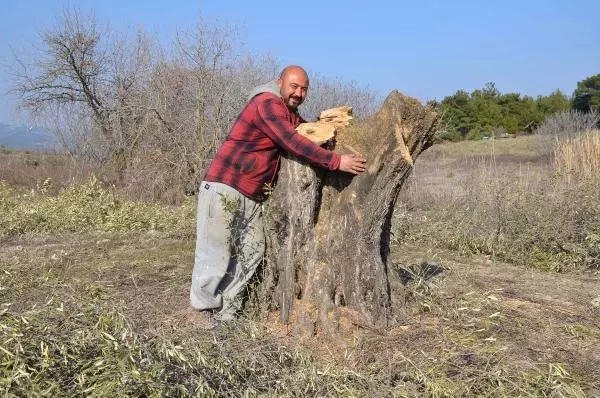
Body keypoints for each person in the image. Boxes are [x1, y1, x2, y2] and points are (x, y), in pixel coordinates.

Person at [189, 65, 366, 323]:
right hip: (224, 186)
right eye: (294, 86)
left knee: (253, 252)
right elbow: (292, 141)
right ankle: (202, 314)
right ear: (279, 82)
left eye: (304, 89)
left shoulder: (287, 112)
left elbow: (304, 131)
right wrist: (336, 162)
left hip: (251, 195)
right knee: (215, 252)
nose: (299, 93)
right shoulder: (267, 103)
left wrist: (328, 126)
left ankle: (226, 315)